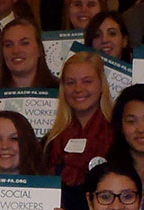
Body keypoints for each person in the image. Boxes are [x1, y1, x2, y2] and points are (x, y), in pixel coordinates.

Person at [45, 52, 116, 189]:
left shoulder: (118, 137)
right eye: (71, 82)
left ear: (101, 85)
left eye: (87, 81)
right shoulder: (51, 142)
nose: (78, 89)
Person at [0, 18, 60, 90]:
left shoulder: (60, 93)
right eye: (8, 45)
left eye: (24, 43)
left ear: (39, 50)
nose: (15, 51)